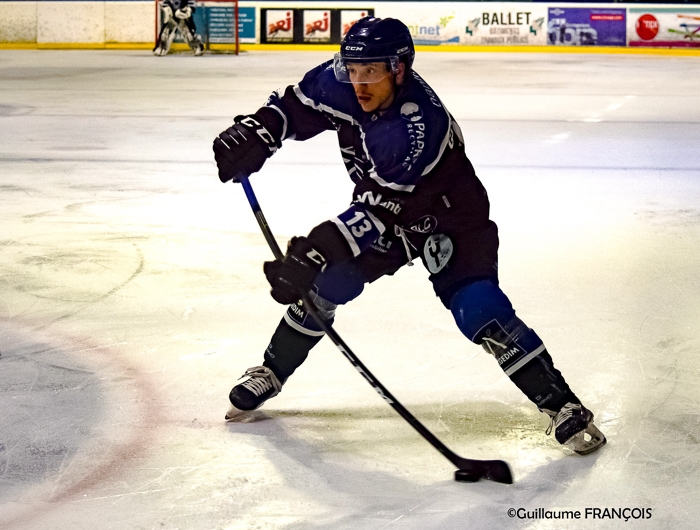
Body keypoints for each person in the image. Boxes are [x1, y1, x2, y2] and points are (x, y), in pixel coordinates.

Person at [212, 17, 606, 455]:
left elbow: (376, 211)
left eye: (372, 72)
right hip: (386, 210)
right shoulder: (341, 79)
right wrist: (259, 133)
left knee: (479, 309)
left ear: (400, 69)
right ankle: (272, 370)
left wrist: (314, 252)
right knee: (327, 286)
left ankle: (562, 405)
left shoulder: (416, 125)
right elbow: (294, 109)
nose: (359, 83)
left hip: (449, 216)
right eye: (353, 70)